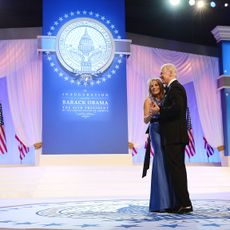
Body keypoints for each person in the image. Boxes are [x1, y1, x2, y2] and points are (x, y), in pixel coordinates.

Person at [152, 63, 193, 214]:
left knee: (177, 171)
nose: (161, 75)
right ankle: (180, 203)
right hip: (172, 138)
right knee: (175, 171)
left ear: (169, 73)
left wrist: (160, 110)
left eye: (162, 73)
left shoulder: (176, 88)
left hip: (175, 137)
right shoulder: (171, 89)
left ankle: (186, 204)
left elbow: (178, 109)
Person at [143, 78, 175, 212]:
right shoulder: (148, 100)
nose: (154, 87)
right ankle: (161, 202)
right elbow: (145, 120)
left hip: (167, 129)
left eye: (156, 85)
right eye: (152, 86)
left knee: (169, 160)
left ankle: (171, 200)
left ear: (161, 86)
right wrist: (152, 112)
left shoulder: (166, 98)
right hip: (155, 129)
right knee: (160, 158)